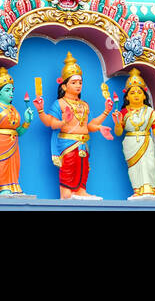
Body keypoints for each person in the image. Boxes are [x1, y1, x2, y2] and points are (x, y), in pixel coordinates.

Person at [34, 52, 114, 199]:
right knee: (69, 167)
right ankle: (66, 193)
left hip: (84, 142)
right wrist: (41, 110)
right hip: (68, 142)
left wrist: (105, 115)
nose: (78, 86)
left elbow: (89, 126)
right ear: (64, 86)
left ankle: (81, 191)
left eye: (80, 82)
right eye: (74, 82)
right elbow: (50, 123)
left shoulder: (84, 105)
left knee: (83, 168)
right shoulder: (60, 103)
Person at [112, 69, 155, 198]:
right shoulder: (123, 112)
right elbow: (118, 133)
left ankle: (151, 188)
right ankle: (137, 190)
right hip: (130, 142)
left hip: (146, 139)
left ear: (145, 95)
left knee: (149, 164)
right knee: (134, 167)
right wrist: (117, 123)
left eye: (139, 92)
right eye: (132, 93)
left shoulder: (150, 112)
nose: (136, 95)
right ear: (127, 96)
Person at [0, 68, 33, 196]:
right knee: (1, 164)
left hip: (13, 141)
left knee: (14, 164)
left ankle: (14, 186)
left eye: (12, 90)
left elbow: (18, 131)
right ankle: (2, 187)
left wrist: (27, 121)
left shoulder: (13, 108)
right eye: (7, 90)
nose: (11, 94)